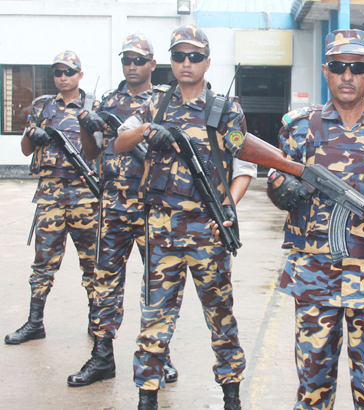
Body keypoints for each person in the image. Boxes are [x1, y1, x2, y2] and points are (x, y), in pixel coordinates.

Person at [267, 29, 364, 410]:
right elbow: (274, 178)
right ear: (326, 71)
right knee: (313, 389)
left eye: (357, 67)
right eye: (339, 66)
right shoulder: (299, 128)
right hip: (314, 279)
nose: (348, 75)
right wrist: (281, 189)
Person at [115, 24, 251, 410]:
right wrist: (147, 130)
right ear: (170, 62)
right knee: (155, 317)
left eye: (194, 56)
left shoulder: (225, 109)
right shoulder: (154, 103)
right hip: (161, 228)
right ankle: (147, 396)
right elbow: (119, 143)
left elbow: (243, 167)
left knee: (220, 316)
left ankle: (231, 394)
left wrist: (228, 209)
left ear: (207, 61)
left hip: (208, 228)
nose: (186, 63)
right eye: (178, 56)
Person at [68, 32, 183, 387]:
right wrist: (87, 129)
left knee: (158, 285)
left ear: (152, 64)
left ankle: (158, 354)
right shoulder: (107, 100)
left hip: (153, 206)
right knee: (104, 282)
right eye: (126, 60)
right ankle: (102, 356)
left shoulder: (167, 101)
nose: (131, 66)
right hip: (112, 206)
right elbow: (91, 153)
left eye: (139, 60)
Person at [6, 51, 99, 345]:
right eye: (57, 72)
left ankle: (96, 323)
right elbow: (24, 150)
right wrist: (33, 134)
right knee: (43, 264)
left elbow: (105, 148)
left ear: (79, 75)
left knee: (92, 264)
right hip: (50, 195)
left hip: (86, 197)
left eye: (68, 72)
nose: (62, 77)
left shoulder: (93, 107)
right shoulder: (42, 107)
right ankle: (35, 322)